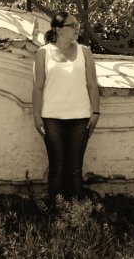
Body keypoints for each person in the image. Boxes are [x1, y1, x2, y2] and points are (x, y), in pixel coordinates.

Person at [32, 11, 100, 204]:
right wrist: (36, 116)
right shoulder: (43, 53)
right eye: (72, 25)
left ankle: (76, 212)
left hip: (80, 117)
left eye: (78, 24)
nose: (77, 28)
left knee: (75, 169)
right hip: (51, 118)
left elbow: (92, 84)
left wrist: (96, 112)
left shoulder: (85, 52)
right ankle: (56, 211)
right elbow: (37, 87)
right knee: (57, 168)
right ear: (58, 29)